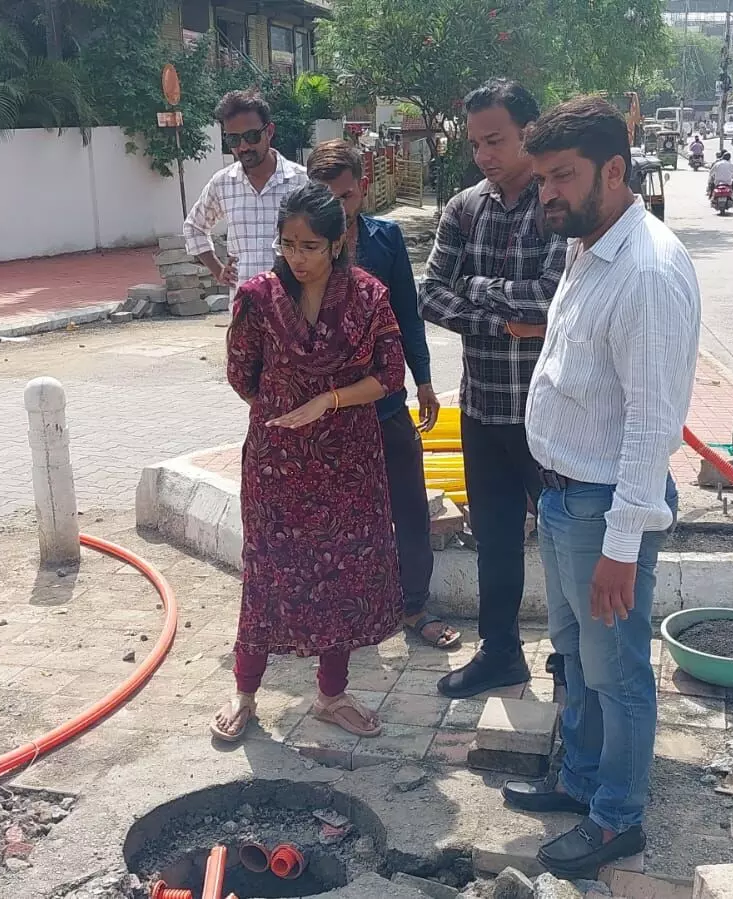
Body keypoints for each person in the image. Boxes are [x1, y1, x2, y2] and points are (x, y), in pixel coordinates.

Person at [505, 96, 698, 879]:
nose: (546, 192)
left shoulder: (646, 271)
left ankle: (617, 817)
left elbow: (655, 423)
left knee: (616, 669)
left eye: (562, 177)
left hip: (602, 507)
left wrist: (622, 544)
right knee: (573, 654)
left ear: (613, 171)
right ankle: (578, 780)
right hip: (559, 496)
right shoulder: (588, 243)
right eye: (541, 177)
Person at [212, 183, 407, 742]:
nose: (297, 257)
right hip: (278, 464)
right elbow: (240, 374)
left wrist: (325, 402)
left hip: (348, 462)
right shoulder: (256, 297)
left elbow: (389, 376)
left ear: (339, 241)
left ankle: (330, 695)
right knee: (268, 569)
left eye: (310, 246)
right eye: (288, 244)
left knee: (340, 575)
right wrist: (282, 412)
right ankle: (245, 690)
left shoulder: (369, 297)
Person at [421, 79, 568, 699]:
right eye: (475, 142)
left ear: (528, 135)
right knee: (496, 540)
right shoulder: (463, 208)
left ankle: (573, 659)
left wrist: (478, 288)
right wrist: (506, 320)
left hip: (552, 412)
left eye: (495, 140)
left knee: (566, 543)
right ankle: (500, 652)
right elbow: (429, 293)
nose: (483, 154)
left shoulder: (558, 203)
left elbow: (558, 297)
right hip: (482, 405)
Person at [306, 140, 459, 651]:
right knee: (336, 517)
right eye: (326, 198)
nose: (338, 208)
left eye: (345, 196)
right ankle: (343, 613)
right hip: (330, 413)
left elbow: (408, 317)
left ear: (362, 188)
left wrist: (424, 380)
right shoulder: (298, 250)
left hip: (388, 404)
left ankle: (414, 607)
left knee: (410, 509)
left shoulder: (386, 240)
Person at [184, 90, 311, 290]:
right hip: (244, 310)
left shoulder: (301, 182)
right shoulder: (223, 183)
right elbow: (193, 227)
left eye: (251, 136)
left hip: (293, 306)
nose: (243, 147)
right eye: (233, 139)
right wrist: (218, 270)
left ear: (269, 131)